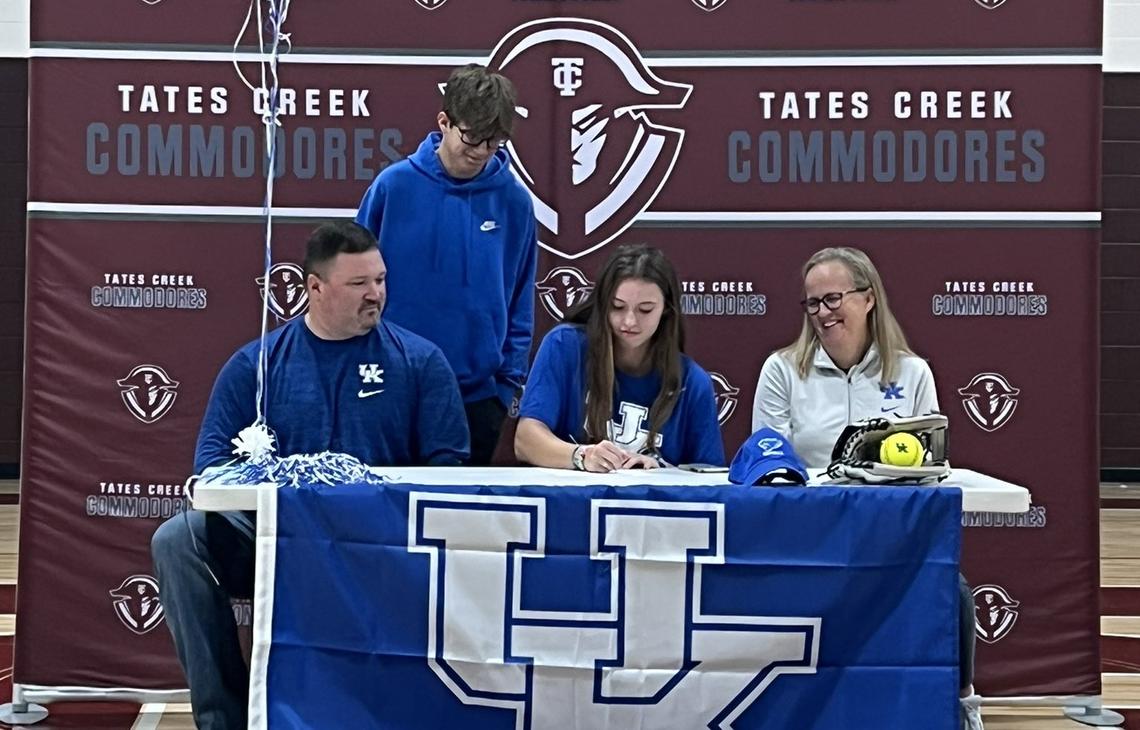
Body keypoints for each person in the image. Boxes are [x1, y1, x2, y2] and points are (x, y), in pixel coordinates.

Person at [151, 221, 469, 730]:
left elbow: (448, 466)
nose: (376, 294)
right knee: (178, 540)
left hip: (381, 542)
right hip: (277, 537)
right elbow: (209, 467)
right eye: (359, 284)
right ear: (314, 287)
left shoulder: (421, 362)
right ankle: (224, 720)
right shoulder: (255, 365)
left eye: (381, 280)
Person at [751, 246, 981, 730]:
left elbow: (931, 473)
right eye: (812, 303)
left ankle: (962, 703)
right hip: (811, 537)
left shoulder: (912, 372)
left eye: (833, 299)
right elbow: (767, 467)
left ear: (868, 298)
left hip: (892, 540)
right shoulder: (781, 371)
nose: (822, 314)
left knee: (955, 591)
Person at [356, 63, 537, 465]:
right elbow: (352, 281)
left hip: (476, 399)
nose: (481, 151)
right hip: (388, 388)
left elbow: (521, 298)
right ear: (444, 122)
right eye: (472, 137)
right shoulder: (393, 187)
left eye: (495, 141)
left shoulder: (515, 202)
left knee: (457, 526)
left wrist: (505, 387)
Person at [515, 244, 724, 471]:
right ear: (602, 304)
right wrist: (581, 456)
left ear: (666, 310)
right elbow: (526, 440)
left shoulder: (692, 383)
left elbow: (709, 476)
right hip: (572, 504)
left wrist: (660, 470)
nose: (629, 322)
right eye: (617, 307)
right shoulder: (565, 346)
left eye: (645, 309)